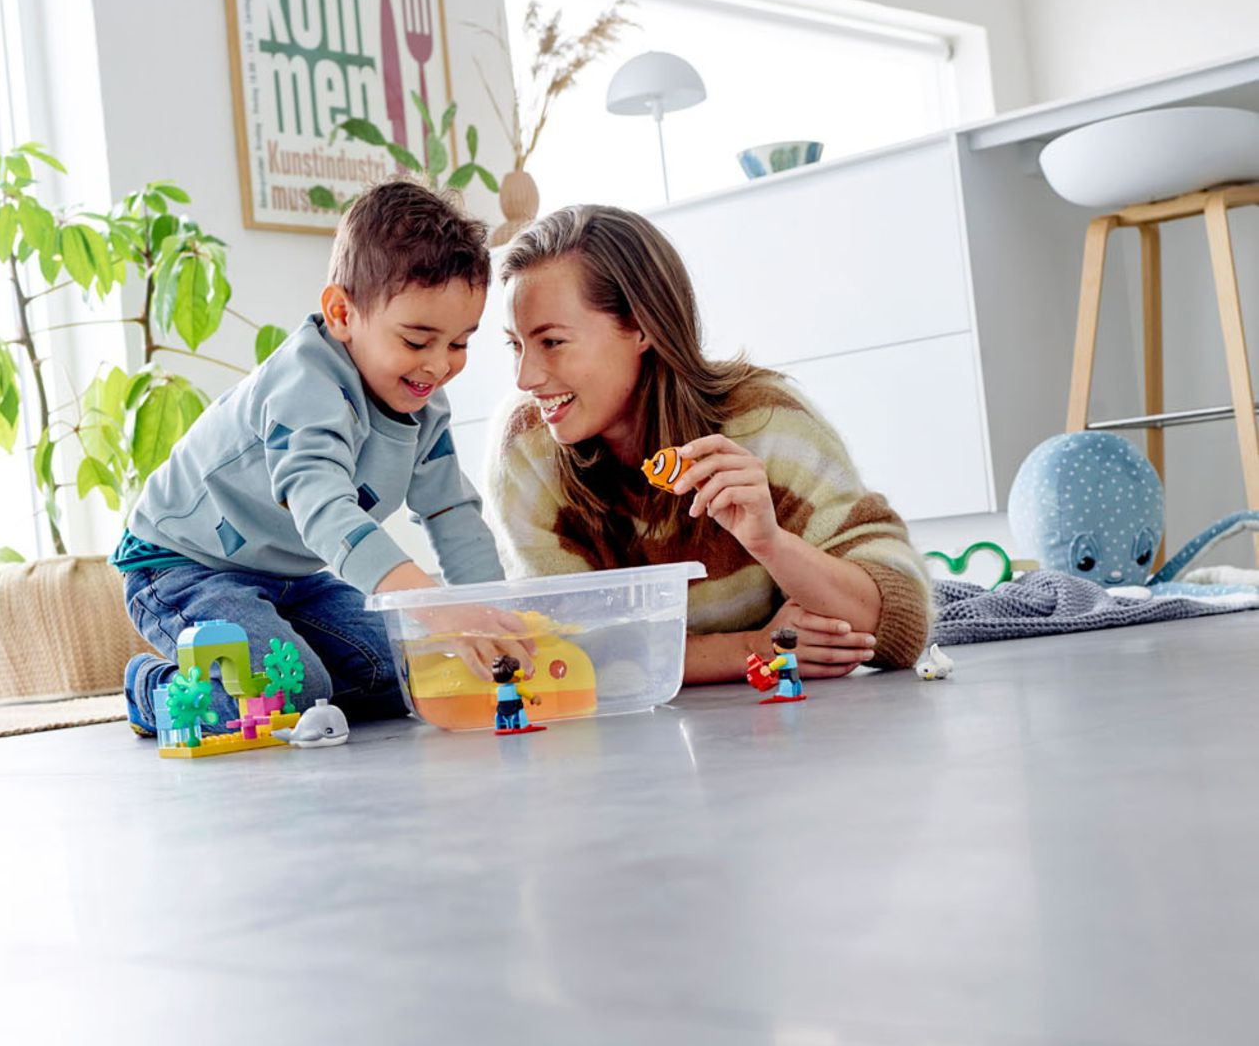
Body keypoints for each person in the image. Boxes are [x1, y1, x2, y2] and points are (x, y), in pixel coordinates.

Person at [113, 180, 522, 737]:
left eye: (458, 343)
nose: (438, 366)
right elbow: (325, 512)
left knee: (407, 673)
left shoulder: (424, 404)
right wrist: (437, 607)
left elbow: (450, 511)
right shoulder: (304, 386)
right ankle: (153, 686)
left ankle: (295, 665)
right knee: (287, 691)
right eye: (416, 341)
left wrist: (493, 616)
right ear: (342, 313)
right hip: (181, 566)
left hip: (292, 577)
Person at [486, 204, 930, 683]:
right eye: (516, 345)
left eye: (551, 342)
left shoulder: (765, 422)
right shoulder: (528, 447)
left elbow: (899, 625)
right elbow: (560, 652)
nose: (525, 378)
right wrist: (755, 650)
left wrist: (771, 543)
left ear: (641, 327)